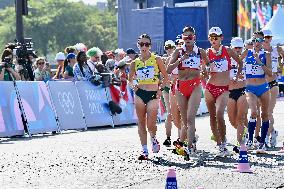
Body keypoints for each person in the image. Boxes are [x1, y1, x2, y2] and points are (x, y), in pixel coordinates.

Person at [167, 26, 209, 158]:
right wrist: (181, 60)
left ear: (194, 38)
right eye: (185, 37)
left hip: (195, 85)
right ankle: (191, 141)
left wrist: (205, 70)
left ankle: (189, 148)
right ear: (182, 38)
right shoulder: (178, 52)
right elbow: (168, 69)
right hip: (181, 87)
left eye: (190, 36)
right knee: (184, 121)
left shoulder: (200, 51)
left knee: (190, 119)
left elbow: (208, 66)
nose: (188, 39)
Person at [128, 34, 169, 160]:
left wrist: (160, 89)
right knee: (141, 122)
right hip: (140, 93)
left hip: (153, 94)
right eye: (141, 44)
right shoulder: (135, 62)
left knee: (150, 124)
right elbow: (130, 79)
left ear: (150, 46)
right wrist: (134, 86)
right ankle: (144, 150)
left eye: (146, 44)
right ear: (138, 45)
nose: (144, 47)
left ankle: (153, 137)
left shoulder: (157, 59)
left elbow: (166, 77)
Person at [205, 27, 243, 156]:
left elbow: (240, 63)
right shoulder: (207, 52)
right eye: (211, 38)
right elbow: (203, 71)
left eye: (216, 37)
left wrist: (237, 77)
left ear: (221, 38)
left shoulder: (227, 50)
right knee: (212, 116)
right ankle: (219, 145)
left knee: (219, 114)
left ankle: (224, 141)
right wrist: (204, 72)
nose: (213, 40)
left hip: (224, 89)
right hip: (210, 87)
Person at [241, 31, 272, 153]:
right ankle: (249, 140)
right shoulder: (247, 52)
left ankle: (262, 142)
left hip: (263, 87)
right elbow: (236, 63)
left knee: (265, 115)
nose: (256, 43)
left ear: (263, 41)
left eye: (259, 40)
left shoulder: (266, 54)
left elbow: (270, 73)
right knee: (253, 112)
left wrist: (259, 62)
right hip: (250, 88)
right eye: (254, 40)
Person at [262, 29, 284, 147]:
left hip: (273, 84)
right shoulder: (258, 51)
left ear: (271, 38)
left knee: (268, 112)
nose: (266, 39)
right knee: (263, 113)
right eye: (264, 37)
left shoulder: (277, 49)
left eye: (268, 37)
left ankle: (264, 137)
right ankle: (273, 132)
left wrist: (281, 66)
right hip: (260, 85)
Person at [227, 37, 248, 153]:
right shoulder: (227, 60)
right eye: (236, 48)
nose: (238, 50)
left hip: (242, 90)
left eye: (240, 48)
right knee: (232, 120)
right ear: (232, 48)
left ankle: (239, 143)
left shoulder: (245, 59)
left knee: (240, 118)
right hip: (230, 92)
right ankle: (245, 132)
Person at [162, 40, 182, 147]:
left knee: (180, 114)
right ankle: (168, 138)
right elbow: (165, 75)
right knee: (170, 114)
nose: (169, 49)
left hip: (180, 89)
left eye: (171, 47)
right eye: (167, 48)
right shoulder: (167, 59)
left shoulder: (180, 57)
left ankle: (181, 138)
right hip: (169, 89)